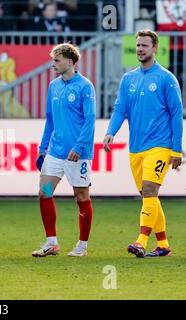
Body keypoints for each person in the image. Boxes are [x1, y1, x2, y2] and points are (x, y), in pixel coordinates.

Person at [103, 29, 183, 258]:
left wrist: (176, 149)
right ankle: (164, 244)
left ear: (155, 48)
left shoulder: (166, 79)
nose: (140, 49)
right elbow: (120, 109)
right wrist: (111, 132)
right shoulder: (129, 78)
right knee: (149, 197)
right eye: (138, 45)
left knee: (149, 190)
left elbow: (176, 115)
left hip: (160, 146)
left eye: (145, 45)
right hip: (136, 148)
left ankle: (141, 241)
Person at [32, 43, 96, 258]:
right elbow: (50, 119)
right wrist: (43, 148)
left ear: (70, 61)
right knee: (44, 193)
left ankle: (82, 246)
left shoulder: (85, 86)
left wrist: (79, 146)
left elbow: (90, 119)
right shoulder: (54, 86)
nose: (53, 65)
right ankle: (51, 242)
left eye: (57, 60)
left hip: (78, 153)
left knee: (81, 197)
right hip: (56, 152)